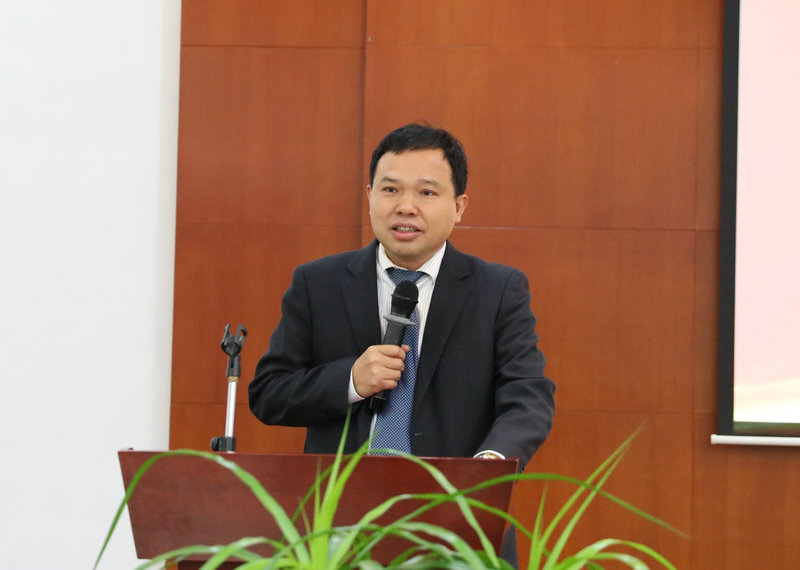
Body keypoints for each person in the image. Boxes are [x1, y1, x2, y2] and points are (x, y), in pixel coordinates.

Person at [249, 123, 555, 470]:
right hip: (342, 499)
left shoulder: (497, 290)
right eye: (391, 189)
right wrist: (350, 380)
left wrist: (488, 465)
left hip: (452, 495)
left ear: (458, 206)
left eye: (426, 192)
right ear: (370, 197)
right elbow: (269, 393)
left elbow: (529, 395)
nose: (406, 207)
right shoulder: (318, 283)